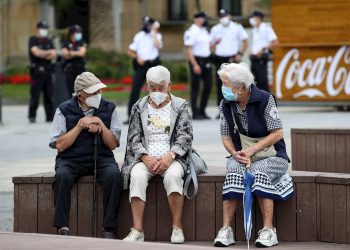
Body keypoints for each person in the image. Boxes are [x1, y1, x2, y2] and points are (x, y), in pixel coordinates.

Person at [213, 63, 293, 248]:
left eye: (225, 84)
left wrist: (251, 150)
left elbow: (278, 133)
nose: (222, 88)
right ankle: (227, 229)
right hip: (243, 155)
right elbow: (225, 136)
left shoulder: (265, 99)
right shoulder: (226, 103)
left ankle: (268, 230)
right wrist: (235, 154)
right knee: (233, 170)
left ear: (239, 87)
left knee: (257, 172)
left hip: (274, 155)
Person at [121, 66, 193, 244]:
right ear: (147, 86)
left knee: (173, 177)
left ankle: (177, 228)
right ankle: (137, 230)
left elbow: (185, 136)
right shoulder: (139, 106)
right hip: (145, 158)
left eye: (161, 88)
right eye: (152, 88)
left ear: (170, 86)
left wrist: (169, 157)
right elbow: (133, 138)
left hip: (173, 157)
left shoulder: (180, 106)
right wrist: (145, 158)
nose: (156, 92)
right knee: (136, 176)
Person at [50, 72, 123, 239]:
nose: (98, 95)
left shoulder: (109, 108)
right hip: (71, 159)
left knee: (114, 176)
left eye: (99, 91)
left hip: (102, 158)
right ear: (81, 95)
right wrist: (79, 126)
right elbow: (59, 146)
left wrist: (100, 125)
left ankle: (109, 228)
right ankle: (62, 226)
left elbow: (112, 144)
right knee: (62, 176)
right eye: (94, 92)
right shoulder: (63, 110)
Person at [210, 9, 248, 118]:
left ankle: (237, 108)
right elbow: (209, 45)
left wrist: (240, 53)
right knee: (221, 85)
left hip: (233, 58)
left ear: (229, 16)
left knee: (236, 83)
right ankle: (221, 109)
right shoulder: (215, 29)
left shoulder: (237, 27)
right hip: (220, 58)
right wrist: (214, 43)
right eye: (221, 16)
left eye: (225, 16)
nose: (223, 18)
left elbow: (245, 41)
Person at [125, 16, 162, 124]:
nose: (147, 26)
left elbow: (157, 45)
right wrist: (137, 57)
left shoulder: (157, 35)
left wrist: (154, 31)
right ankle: (131, 116)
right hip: (142, 66)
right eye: (146, 24)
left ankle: (156, 116)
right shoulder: (139, 36)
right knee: (135, 90)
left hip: (154, 65)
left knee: (155, 91)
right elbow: (130, 51)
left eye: (150, 24)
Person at [184, 11, 212, 120]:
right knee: (195, 87)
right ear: (197, 19)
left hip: (206, 60)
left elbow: (207, 46)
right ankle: (195, 112)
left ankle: (202, 110)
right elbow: (189, 50)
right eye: (203, 18)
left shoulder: (204, 30)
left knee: (208, 85)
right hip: (196, 60)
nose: (205, 20)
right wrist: (195, 65)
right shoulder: (191, 31)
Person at [28, 21, 56, 123]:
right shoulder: (33, 40)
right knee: (35, 95)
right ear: (38, 29)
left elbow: (53, 54)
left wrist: (43, 53)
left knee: (49, 94)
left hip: (48, 71)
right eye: (43, 28)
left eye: (46, 29)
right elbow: (36, 52)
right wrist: (46, 53)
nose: (45, 31)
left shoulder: (48, 41)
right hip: (37, 72)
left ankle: (50, 117)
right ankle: (32, 116)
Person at [249, 10, 279, 92]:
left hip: (261, 58)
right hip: (254, 58)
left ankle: (267, 102)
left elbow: (276, 43)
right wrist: (252, 52)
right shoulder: (254, 30)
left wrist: (263, 49)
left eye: (253, 18)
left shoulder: (266, 28)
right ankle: (257, 101)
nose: (251, 20)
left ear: (258, 18)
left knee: (263, 82)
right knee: (253, 81)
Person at [62, 24, 87, 97]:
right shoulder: (66, 42)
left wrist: (71, 53)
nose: (79, 34)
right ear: (72, 33)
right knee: (71, 92)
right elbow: (65, 55)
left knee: (81, 91)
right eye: (77, 32)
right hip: (70, 70)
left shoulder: (81, 42)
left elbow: (82, 53)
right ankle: (72, 107)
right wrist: (76, 53)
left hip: (80, 70)